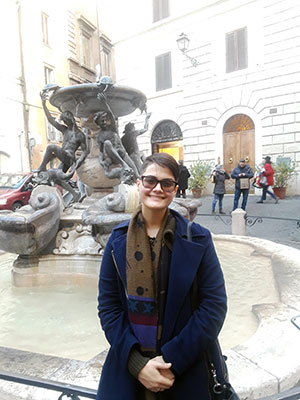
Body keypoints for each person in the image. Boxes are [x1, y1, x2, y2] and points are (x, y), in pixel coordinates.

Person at [96, 152, 227, 399]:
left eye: (166, 183)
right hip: (128, 369)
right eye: (150, 181)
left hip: (185, 370)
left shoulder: (197, 238)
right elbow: (109, 308)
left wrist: (171, 361)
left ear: (175, 189)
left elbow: (214, 306)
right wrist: (138, 365)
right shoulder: (117, 241)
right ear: (138, 184)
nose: (157, 188)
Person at [36, 91, 89, 173]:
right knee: (58, 176)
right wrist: (44, 105)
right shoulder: (64, 130)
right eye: (64, 121)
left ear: (71, 120)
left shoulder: (80, 135)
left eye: (65, 121)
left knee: (51, 147)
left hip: (70, 158)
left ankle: (42, 167)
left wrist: (78, 162)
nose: (64, 123)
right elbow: (51, 120)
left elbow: (85, 151)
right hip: (64, 158)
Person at [94, 111, 139, 183]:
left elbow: (111, 116)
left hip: (122, 153)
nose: (104, 122)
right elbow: (100, 152)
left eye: (104, 120)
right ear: (98, 124)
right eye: (102, 121)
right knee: (107, 143)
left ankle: (136, 187)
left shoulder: (112, 128)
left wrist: (105, 103)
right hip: (114, 157)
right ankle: (123, 165)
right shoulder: (99, 136)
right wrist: (101, 161)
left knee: (136, 173)